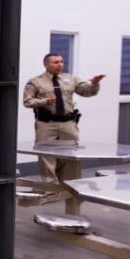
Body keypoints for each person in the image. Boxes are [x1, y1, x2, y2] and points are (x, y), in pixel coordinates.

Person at [23, 53, 105, 183]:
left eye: (61, 61)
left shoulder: (71, 79)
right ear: (46, 64)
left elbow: (87, 92)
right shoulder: (35, 81)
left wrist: (95, 83)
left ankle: (69, 186)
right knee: (47, 156)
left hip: (68, 123)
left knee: (71, 154)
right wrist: (45, 101)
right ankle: (50, 188)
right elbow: (27, 102)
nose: (60, 65)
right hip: (46, 124)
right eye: (55, 62)